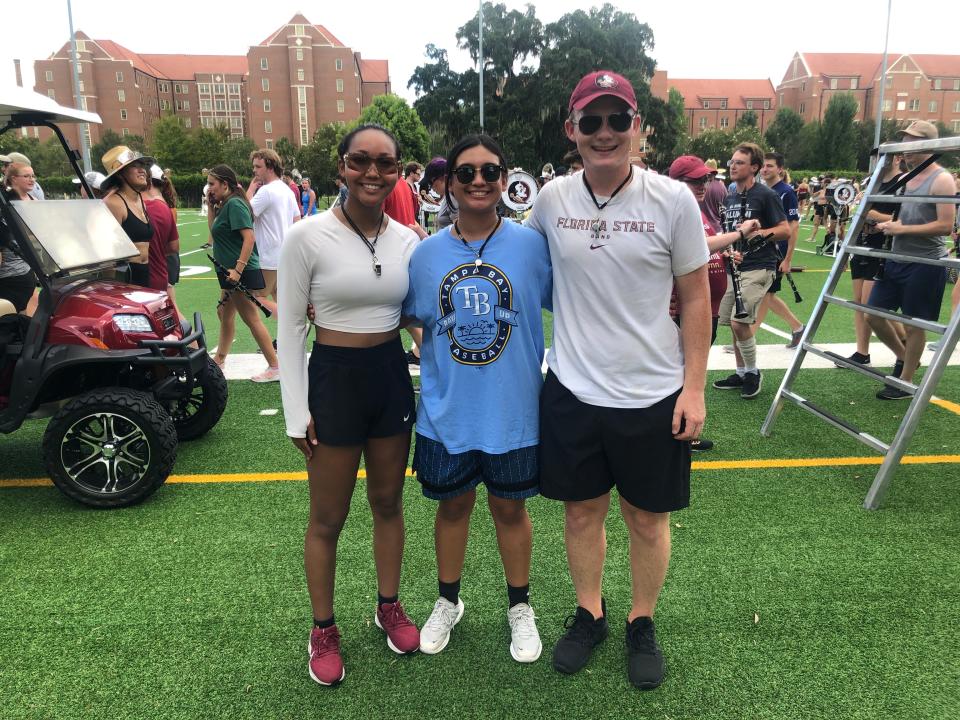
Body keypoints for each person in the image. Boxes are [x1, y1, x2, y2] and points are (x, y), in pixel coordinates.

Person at [525, 70, 710, 689]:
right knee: (581, 513)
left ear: (639, 128)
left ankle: (641, 619)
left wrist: (694, 387)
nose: (605, 133)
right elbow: (512, 265)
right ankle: (589, 611)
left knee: (647, 518)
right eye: (592, 120)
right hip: (574, 387)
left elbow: (696, 298)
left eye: (618, 120)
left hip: (653, 392)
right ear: (571, 129)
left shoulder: (673, 201)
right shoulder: (550, 200)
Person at [277, 124, 421, 687]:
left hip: (388, 375)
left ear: (397, 170)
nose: (372, 173)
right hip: (333, 377)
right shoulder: (307, 236)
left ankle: (388, 606)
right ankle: (322, 629)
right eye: (360, 161)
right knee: (328, 517)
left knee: (388, 502)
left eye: (385, 163)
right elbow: (290, 328)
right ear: (342, 166)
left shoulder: (408, 239)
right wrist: (296, 409)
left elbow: (418, 321)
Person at [403, 134, 551, 663]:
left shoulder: (533, 245)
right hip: (447, 414)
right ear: (449, 183)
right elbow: (409, 316)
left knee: (510, 511)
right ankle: (448, 601)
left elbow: (574, 302)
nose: (479, 181)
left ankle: (520, 608)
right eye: (467, 172)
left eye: (491, 171)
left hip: (514, 412)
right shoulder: (425, 255)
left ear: (505, 179)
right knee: (452, 507)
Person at [870, 121, 956, 400]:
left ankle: (905, 380)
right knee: (874, 314)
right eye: (905, 141)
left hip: (925, 262)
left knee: (915, 324)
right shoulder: (907, 177)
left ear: (929, 145)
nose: (906, 148)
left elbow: (945, 226)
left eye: (913, 142)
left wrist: (901, 229)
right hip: (897, 258)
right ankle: (905, 357)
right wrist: (885, 224)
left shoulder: (941, 179)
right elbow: (904, 218)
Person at [667, 155, 738, 453]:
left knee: (691, 373)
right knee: (681, 375)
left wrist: (726, 254)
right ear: (677, 182)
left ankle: (685, 428)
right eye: (695, 180)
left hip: (702, 308)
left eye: (705, 180)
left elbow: (703, 251)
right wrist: (739, 234)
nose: (702, 185)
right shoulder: (676, 213)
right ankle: (681, 431)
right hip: (682, 310)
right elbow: (697, 248)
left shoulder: (698, 212)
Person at [711, 143, 790, 400]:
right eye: (732, 161)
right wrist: (729, 249)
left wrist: (759, 234)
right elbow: (732, 231)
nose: (733, 166)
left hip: (760, 265)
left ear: (754, 167)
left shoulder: (765, 195)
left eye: (739, 162)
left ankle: (753, 372)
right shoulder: (730, 195)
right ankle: (742, 372)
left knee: (739, 320)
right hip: (736, 265)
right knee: (732, 324)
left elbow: (785, 230)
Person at [206, 164, 279, 382]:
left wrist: (238, 270)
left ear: (225, 184)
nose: (209, 188)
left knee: (251, 318)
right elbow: (214, 233)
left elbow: (249, 238)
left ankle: (275, 365)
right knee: (224, 313)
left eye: (212, 184)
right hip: (228, 271)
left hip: (239, 271)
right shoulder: (225, 204)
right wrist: (211, 207)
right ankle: (219, 359)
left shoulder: (235, 205)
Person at [842, 152, 905, 366]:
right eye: (877, 158)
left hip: (883, 247)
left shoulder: (902, 182)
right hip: (862, 244)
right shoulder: (872, 181)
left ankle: (905, 341)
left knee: (873, 305)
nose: (879, 162)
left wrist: (870, 212)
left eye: (884, 157)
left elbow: (903, 218)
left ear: (897, 159)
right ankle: (862, 352)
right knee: (860, 303)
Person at [754, 152, 804, 348]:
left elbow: (794, 226)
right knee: (768, 295)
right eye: (764, 166)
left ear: (780, 169)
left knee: (765, 295)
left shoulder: (786, 192)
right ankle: (798, 328)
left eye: (770, 166)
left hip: (777, 252)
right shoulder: (763, 190)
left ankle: (748, 338)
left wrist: (788, 258)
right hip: (765, 250)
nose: (765, 169)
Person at [246, 148, 301, 318]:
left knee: (256, 297)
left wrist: (250, 189)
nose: (254, 171)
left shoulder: (266, 191)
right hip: (284, 254)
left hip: (268, 256)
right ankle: (287, 338)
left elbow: (243, 213)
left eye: (258, 166)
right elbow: (297, 221)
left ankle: (295, 324)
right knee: (279, 297)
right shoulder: (287, 190)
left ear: (270, 167)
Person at [100, 146, 153, 287]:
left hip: (144, 273)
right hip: (125, 279)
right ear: (120, 174)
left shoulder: (140, 200)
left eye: (142, 165)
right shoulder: (114, 203)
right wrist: (111, 289)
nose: (142, 170)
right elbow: (108, 252)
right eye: (135, 166)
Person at [701, 159, 727, 234]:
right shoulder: (722, 187)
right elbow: (725, 209)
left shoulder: (699, 186)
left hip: (703, 229)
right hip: (717, 230)